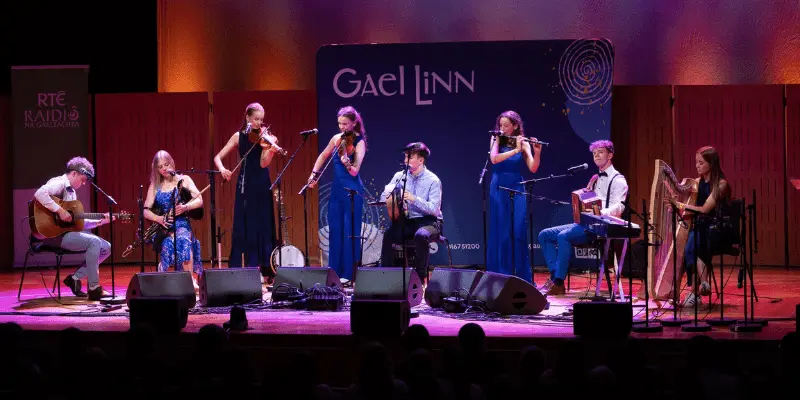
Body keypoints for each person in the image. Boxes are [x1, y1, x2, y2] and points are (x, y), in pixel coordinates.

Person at [538, 140, 628, 296]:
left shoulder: (618, 180)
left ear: (610, 155)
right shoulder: (595, 178)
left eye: (600, 152)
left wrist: (600, 213)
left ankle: (558, 282)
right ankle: (555, 277)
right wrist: (586, 194)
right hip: (585, 224)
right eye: (594, 153)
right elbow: (589, 202)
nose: (596, 155)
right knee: (544, 235)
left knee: (563, 236)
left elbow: (619, 207)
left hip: (600, 227)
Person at [214, 102, 280, 281]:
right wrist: (223, 169)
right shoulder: (239, 137)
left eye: (262, 120)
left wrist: (271, 151)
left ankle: (265, 267)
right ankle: (251, 266)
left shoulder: (265, 137)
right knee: (248, 224)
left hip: (262, 183)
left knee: (263, 223)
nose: (259, 123)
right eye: (256, 119)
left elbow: (263, 164)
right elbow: (217, 157)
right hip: (245, 183)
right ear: (247, 117)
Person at [34, 157, 114, 300]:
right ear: (74, 173)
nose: (83, 184)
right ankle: (94, 288)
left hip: (66, 233)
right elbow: (39, 193)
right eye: (82, 180)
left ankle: (75, 277)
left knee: (106, 247)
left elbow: (76, 222)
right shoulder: (59, 183)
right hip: (53, 235)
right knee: (94, 242)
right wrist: (60, 210)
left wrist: (100, 222)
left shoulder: (72, 193)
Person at [307, 106, 367, 284]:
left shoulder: (359, 142)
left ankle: (349, 274)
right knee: (335, 231)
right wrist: (314, 174)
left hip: (352, 192)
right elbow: (323, 155)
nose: (342, 127)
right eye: (340, 123)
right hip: (336, 192)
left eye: (345, 124)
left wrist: (347, 163)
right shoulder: (336, 139)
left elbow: (355, 171)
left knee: (349, 232)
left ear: (354, 123)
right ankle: (334, 273)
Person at [667, 145, 731, 307]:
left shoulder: (721, 184)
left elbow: (704, 209)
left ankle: (695, 291)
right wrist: (675, 203)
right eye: (696, 162)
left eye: (701, 163)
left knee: (694, 240)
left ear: (712, 163)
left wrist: (679, 205)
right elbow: (688, 206)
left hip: (717, 228)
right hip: (700, 227)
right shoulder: (696, 183)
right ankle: (701, 285)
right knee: (692, 239)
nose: (697, 166)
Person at [486, 111, 542, 283]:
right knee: (502, 232)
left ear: (515, 126)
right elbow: (494, 159)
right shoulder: (496, 139)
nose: (502, 129)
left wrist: (537, 152)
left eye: (506, 125)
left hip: (517, 187)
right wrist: (515, 150)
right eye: (500, 125)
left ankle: (521, 277)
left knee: (518, 231)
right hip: (499, 187)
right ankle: (501, 276)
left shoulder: (522, 142)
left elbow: (533, 168)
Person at [379, 142, 443, 285]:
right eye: (406, 156)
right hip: (409, 221)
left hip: (430, 222)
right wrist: (390, 196)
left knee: (421, 235)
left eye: (410, 157)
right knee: (389, 235)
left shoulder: (433, 180)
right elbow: (384, 196)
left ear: (421, 160)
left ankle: (419, 279)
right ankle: (386, 277)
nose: (406, 160)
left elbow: (434, 209)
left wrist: (414, 199)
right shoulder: (400, 176)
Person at [143, 150, 204, 288]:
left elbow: (199, 200)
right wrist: (158, 218)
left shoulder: (184, 179)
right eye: (160, 167)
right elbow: (145, 211)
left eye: (166, 164)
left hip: (181, 223)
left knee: (183, 239)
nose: (164, 169)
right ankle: (165, 278)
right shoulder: (155, 186)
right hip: (164, 226)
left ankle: (188, 280)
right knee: (168, 243)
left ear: (171, 163)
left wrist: (185, 207)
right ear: (156, 169)